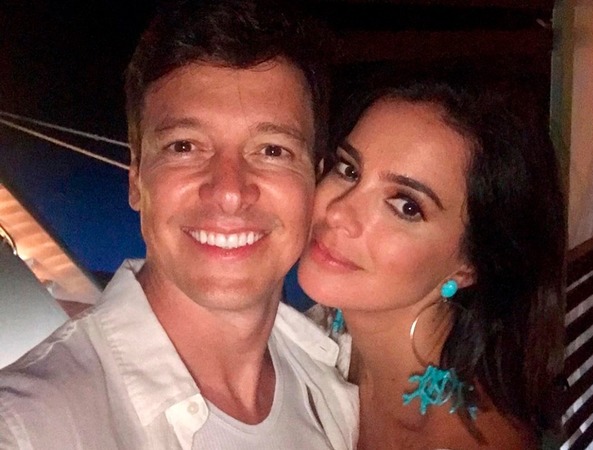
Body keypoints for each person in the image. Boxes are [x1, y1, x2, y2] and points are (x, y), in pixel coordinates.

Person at [0, 0, 358, 448]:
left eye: (272, 150)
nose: (229, 191)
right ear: (136, 178)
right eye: (185, 146)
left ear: (312, 181)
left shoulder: (332, 386)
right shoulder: (27, 428)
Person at [297, 79, 566, 449]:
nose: (338, 212)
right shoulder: (312, 321)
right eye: (349, 169)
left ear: (469, 265)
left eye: (406, 206)